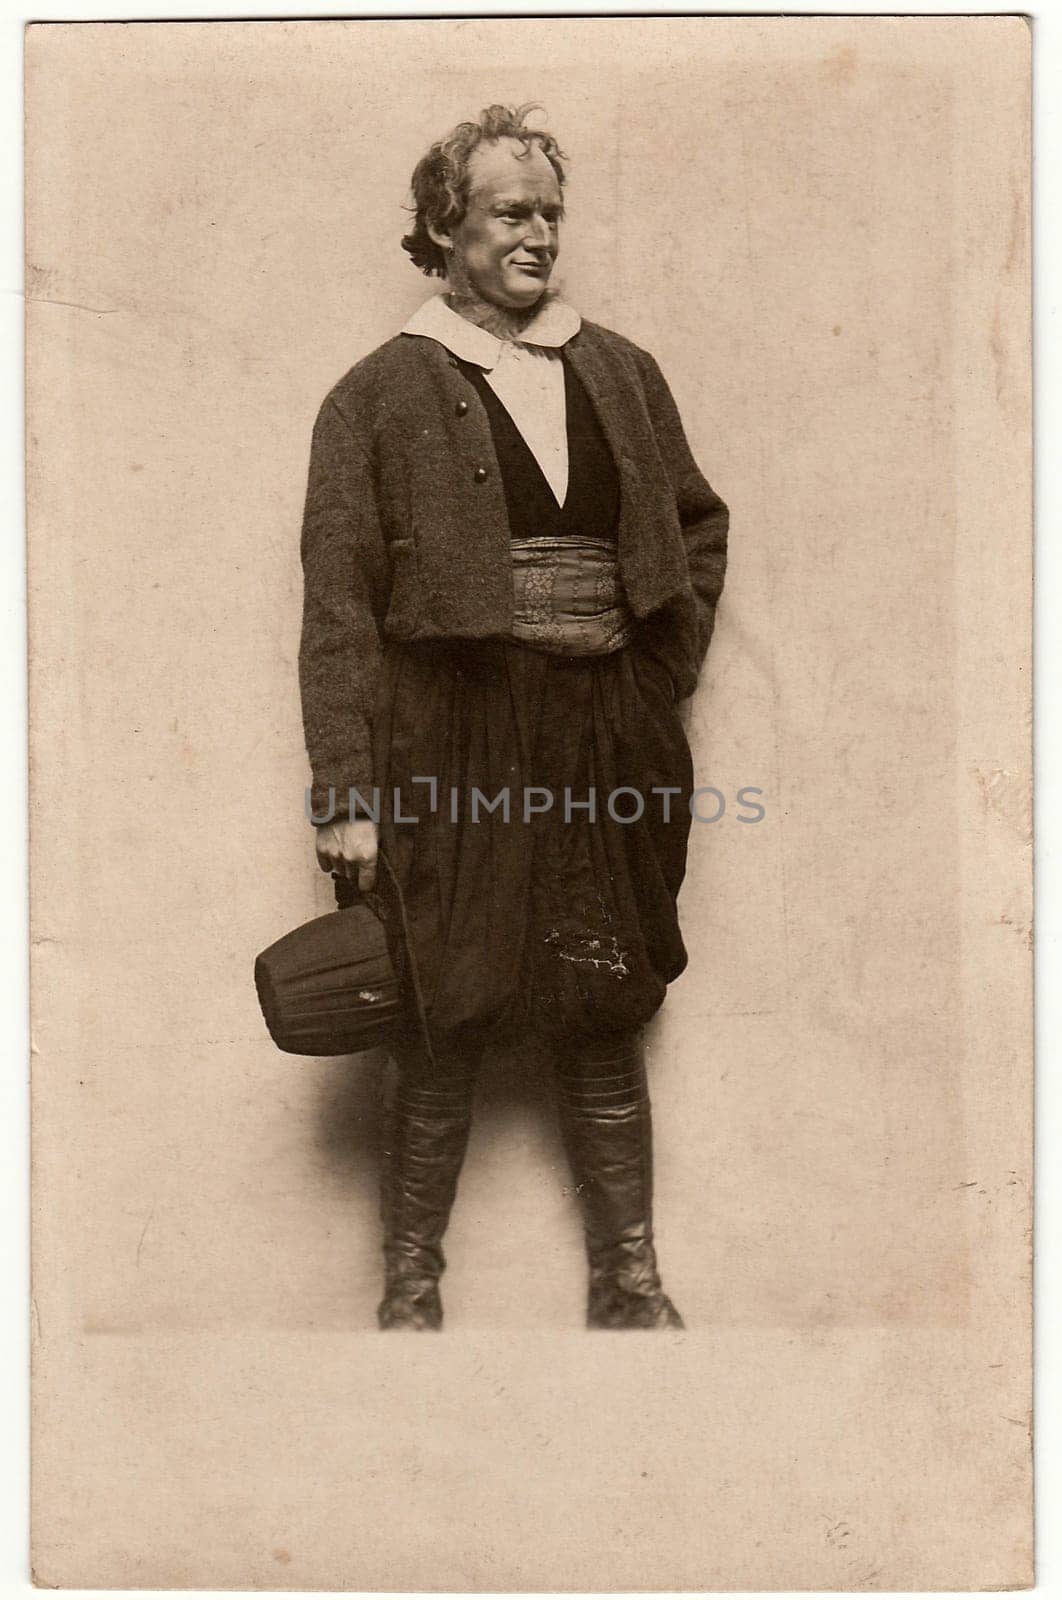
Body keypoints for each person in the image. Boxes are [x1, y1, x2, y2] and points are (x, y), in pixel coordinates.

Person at [299, 103, 728, 1330]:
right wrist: (347, 795)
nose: (539, 235)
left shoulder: (622, 372)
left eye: (551, 212)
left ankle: (631, 1285)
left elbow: (698, 525)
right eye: (509, 212)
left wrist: (658, 673)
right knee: (448, 997)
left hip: (608, 735)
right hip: (450, 742)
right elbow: (338, 613)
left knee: (603, 989)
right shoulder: (373, 397)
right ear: (445, 227)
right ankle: (410, 1293)